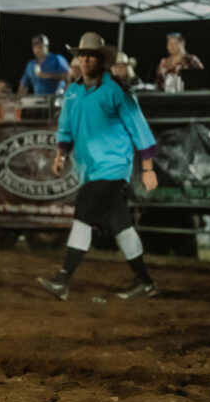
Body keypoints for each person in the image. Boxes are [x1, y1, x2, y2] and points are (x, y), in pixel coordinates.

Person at [38, 32, 159, 301]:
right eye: (81, 55)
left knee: (83, 212)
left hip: (113, 167)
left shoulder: (116, 90)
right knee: (120, 225)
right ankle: (145, 281)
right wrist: (60, 156)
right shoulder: (72, 93)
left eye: (90, 55)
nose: (85, 59)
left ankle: (63, 279)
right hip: (90, 170)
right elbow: (65, 129)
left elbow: (139, 128)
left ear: (101, 59)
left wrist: (148, 167)